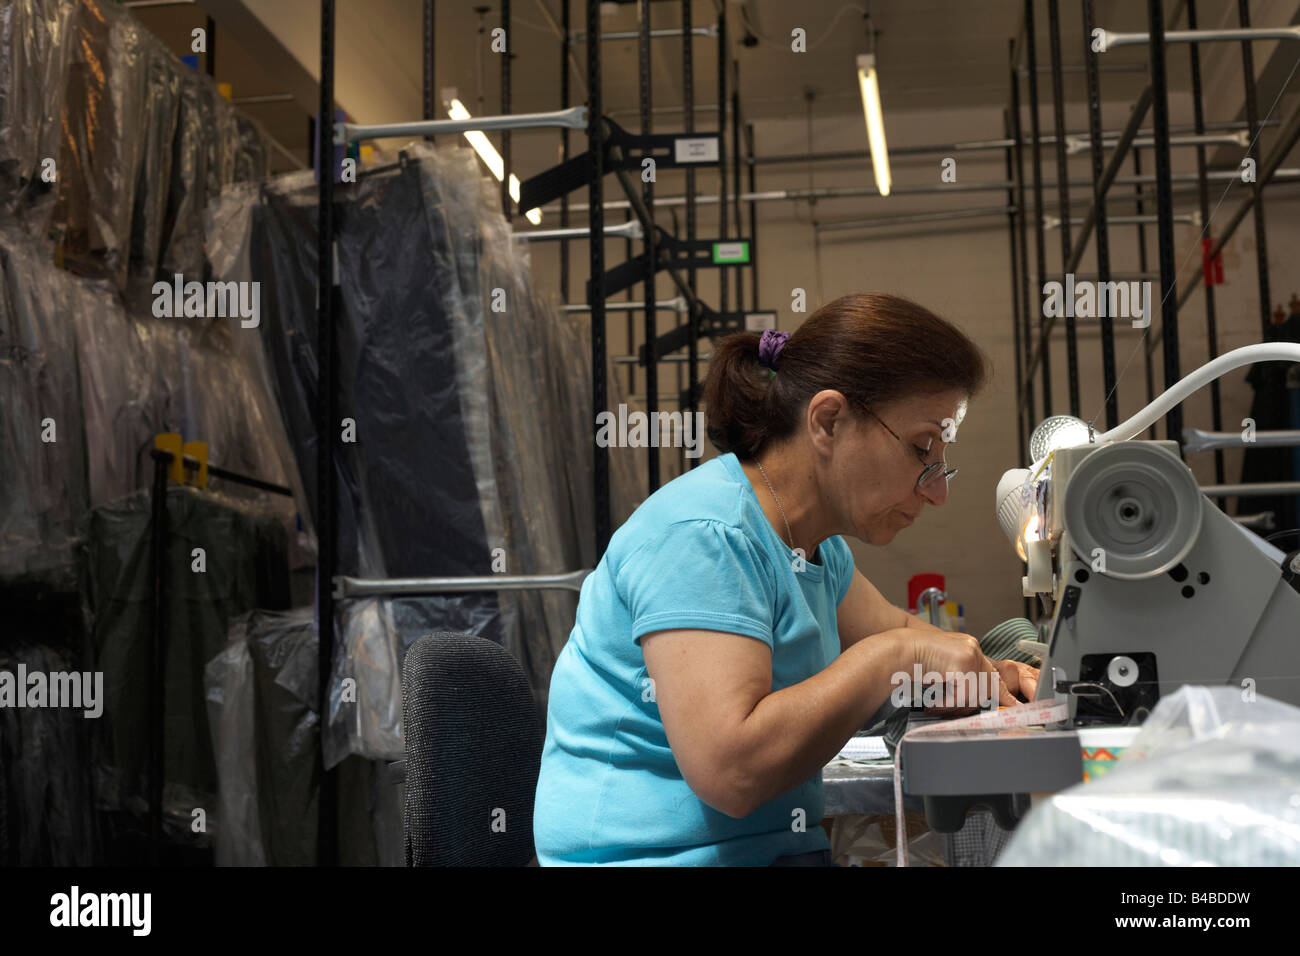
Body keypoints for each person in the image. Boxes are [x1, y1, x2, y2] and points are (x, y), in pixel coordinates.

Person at [532, 293, 1039, 866]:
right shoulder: (703, 536)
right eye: (922, 449)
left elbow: (908, 639)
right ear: (828, 420)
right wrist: (892, 657)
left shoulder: (817, 549)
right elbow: (731, 770)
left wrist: (994, 674)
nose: (936, 491)